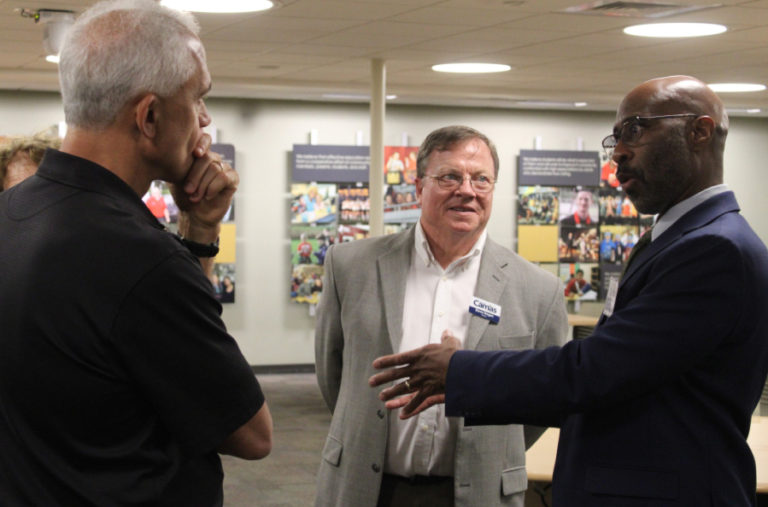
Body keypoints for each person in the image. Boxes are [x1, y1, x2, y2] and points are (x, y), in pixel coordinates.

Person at [369, 76, 768, 505]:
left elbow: (598, 371)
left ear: (699, 131)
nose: (618, 152)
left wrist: (459, 371)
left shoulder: (714, 248)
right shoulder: (675, 239)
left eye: (635, 130)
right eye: (615, 137)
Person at [0, 1, 272, 505]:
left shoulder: (10, 212)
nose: (206, 119)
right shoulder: (141, 258)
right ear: (149, 117)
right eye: (198, 98)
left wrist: (199, 228)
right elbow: (250, 434)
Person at [315, 125, 568, 507]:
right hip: (365, 489)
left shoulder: (538, 290)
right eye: (450, 176)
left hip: (478, 493)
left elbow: (544, 400)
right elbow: (333, 375)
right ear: (419, 188)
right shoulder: (350, 266)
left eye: (481, 179)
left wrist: (492, 448)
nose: (467, 190)